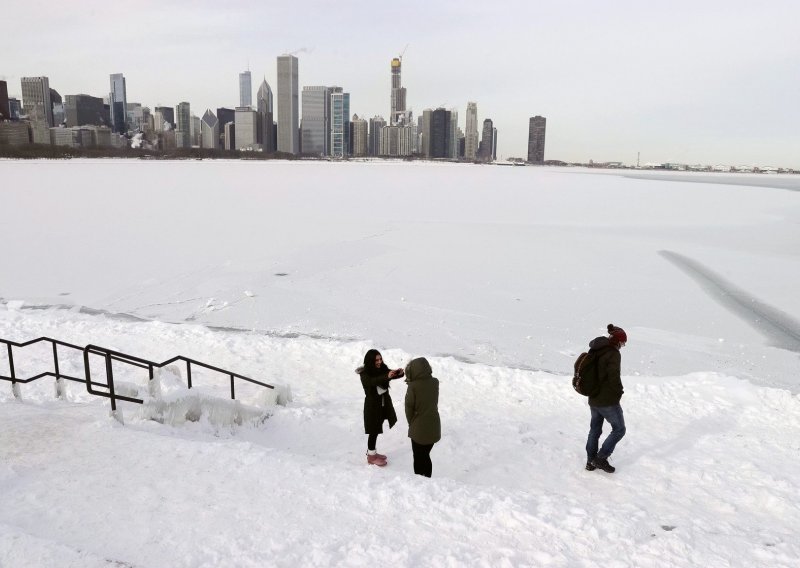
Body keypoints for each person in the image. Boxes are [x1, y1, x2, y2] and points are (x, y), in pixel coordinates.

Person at [585, 324, 628, 474]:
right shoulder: (613, 353)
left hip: (593, 397)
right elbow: (613, 377)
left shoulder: (596, 349)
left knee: (595, 430)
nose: (623, 346)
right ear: (618, 341)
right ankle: (601, 458)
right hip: (607, 400)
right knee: (619, 429)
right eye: (623, 343)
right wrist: (619, 392)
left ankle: (590, 461)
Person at [358, 349, 404, 466]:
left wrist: (399, 373)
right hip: (372, 406)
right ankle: (371, 457)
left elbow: (389, 374)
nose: (379, 362)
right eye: (376, 360)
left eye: (380, 359)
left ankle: (372, 452)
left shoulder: (382, 368)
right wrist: (387, 376)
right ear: (370, 361)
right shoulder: (365, 373)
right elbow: (373, 382)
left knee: (376, 428)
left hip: (382, 405)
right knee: (373, 430)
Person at [404, 357, 441, 478]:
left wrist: (412, 423)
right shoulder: (435, 382)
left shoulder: (413, 386)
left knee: (419, 457)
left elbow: (409, 407)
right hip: (434, 426)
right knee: (425, 455)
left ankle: (419, 482)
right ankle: (428, 480)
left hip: (419, 429)